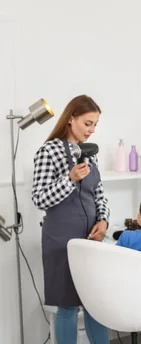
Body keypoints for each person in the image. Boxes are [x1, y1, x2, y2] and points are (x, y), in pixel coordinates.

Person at [32, 95, 110, 344]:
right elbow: (40, 198)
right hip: (61, 239)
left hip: (90, 238)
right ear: (71, 119)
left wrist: (104, 221)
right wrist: (70, 179)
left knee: (94, 304)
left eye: (95, 124)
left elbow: (98, 193)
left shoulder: (91, 153)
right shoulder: (49, 151)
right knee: (67, 306)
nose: (92, 130)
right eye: (88, 123)